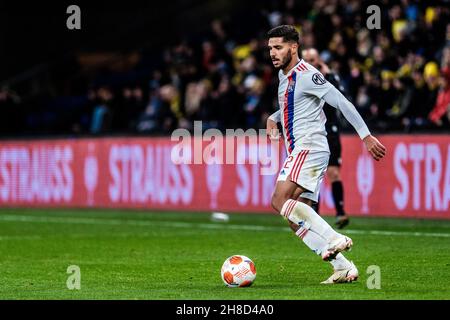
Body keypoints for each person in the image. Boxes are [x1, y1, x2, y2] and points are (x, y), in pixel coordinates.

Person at [266, 25, 386, 284]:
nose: (273, 53)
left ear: (293, 47)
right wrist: (272, 117)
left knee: (279, 200)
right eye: (270, 49)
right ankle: (343, 268)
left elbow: (342, 102)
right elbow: (292, 106)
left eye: (278, 47)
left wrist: (366, 136)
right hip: (304, 150)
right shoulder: (283, 76)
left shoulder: (308, 75)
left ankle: (334, 238)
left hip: (309, 147)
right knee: (295, 217)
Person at [302, 48, 349, 229]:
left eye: (313, 59)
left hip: (331, 131)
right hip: (312, 132)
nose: (310, 62)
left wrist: (328, 74)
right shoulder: (302, 79)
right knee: (314, 176)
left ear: (319, 60)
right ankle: (315, 216)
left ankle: (341, 212)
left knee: (333, 173)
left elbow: (341, 97)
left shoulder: (329, 78)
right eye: (307, 59)